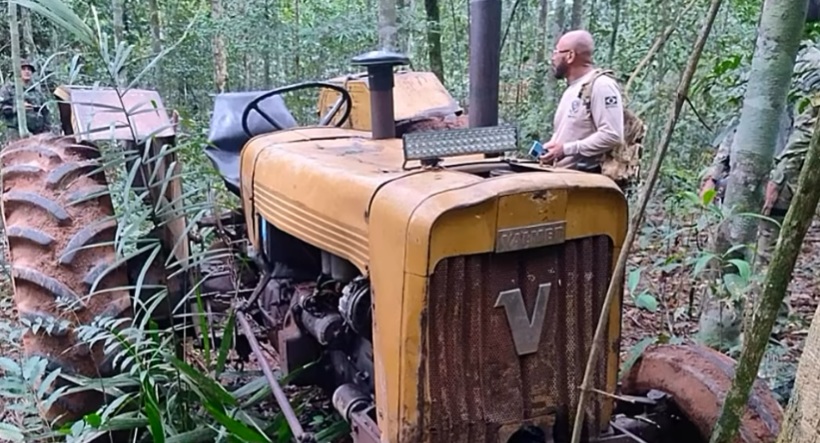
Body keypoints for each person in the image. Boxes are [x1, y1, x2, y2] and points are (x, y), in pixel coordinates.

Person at [538, 29, 625, 175]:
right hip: (560, 177)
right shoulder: (573, 88)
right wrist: (553, 148)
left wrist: (566, 149)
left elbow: (613, 135)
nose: (553, 58)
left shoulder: (601, 85)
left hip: (584, 183)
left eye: (557, 52)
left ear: (570, 56)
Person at [1, 59, 51, 140]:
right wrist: (18, 108)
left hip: (37, 134)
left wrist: (47, 131)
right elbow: (2, 109)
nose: (27, 71)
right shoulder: (8, 89)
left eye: (29, 69)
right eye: (23, 69)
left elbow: (45, 112)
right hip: (16, 133)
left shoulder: (37, 92)